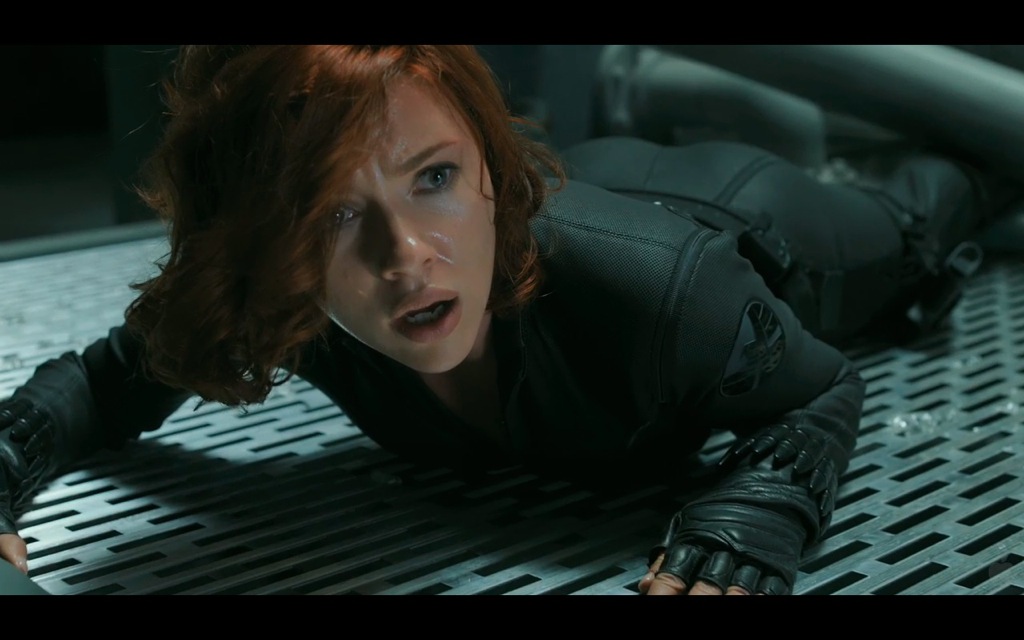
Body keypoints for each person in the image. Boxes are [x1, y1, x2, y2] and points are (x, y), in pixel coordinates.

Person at [0, 45, 1009, 596]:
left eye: (434, 177)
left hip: (748, 220)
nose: (405, 258)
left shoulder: (674, 295)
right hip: (603, 189)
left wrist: (749, 522)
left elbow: (823, 385)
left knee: (931, 209)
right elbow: (101, 378)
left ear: (489, 165)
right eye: (332, 213)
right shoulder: (285, 299)